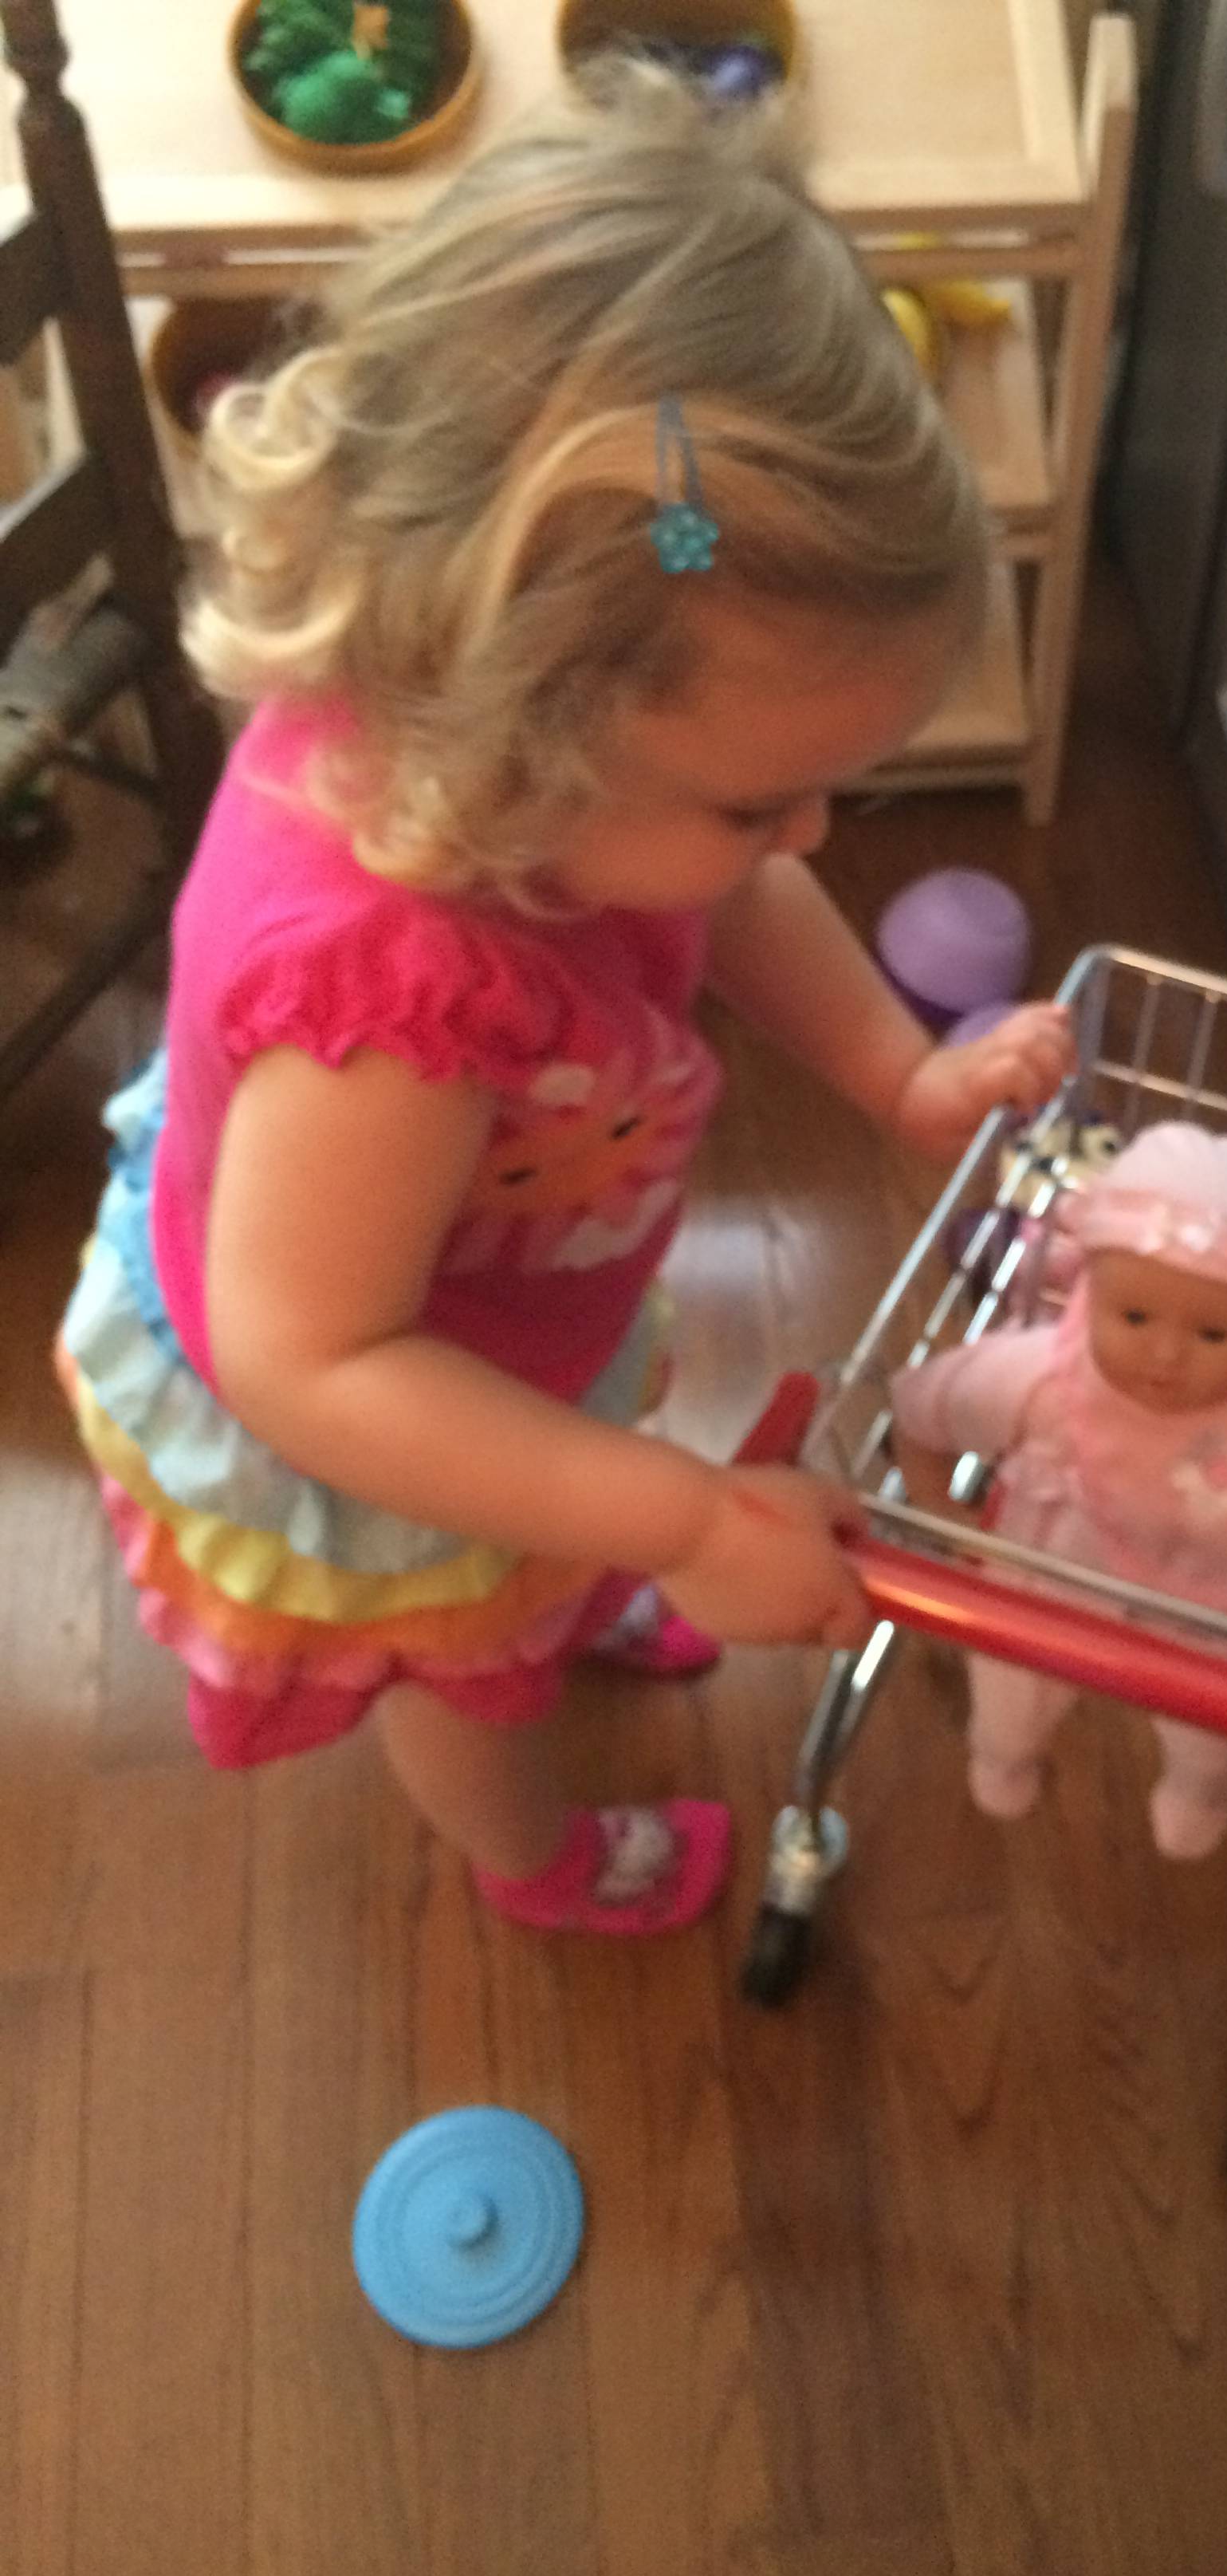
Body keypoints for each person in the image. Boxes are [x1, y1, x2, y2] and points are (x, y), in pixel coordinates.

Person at [53, 59, 1071, 1937]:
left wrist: (891, 1071)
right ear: (517, 723)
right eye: (757, 801)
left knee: (548, 1544)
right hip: (385, 1414)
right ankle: (531, 1857)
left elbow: (740, 894)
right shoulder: (385, 1012)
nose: (807, 833)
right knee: (468, 1678)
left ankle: (569, 1566)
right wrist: (685, 1515)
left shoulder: (529, 768)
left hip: (499, 1303)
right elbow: (316, 1363)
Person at [892, 1124, 1227, 1860]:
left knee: (1220, 1727)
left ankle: (1200, 1790)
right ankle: (1003, 1757)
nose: (1166, 1353)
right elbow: (924, 1408)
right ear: (1091, 1285)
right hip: (1048, 1576)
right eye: (1134, 1316)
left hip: (1209, 1604)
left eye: (1213, 1335)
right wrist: (937, 1507)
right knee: (1006, 1694)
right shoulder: (1042, 1380)